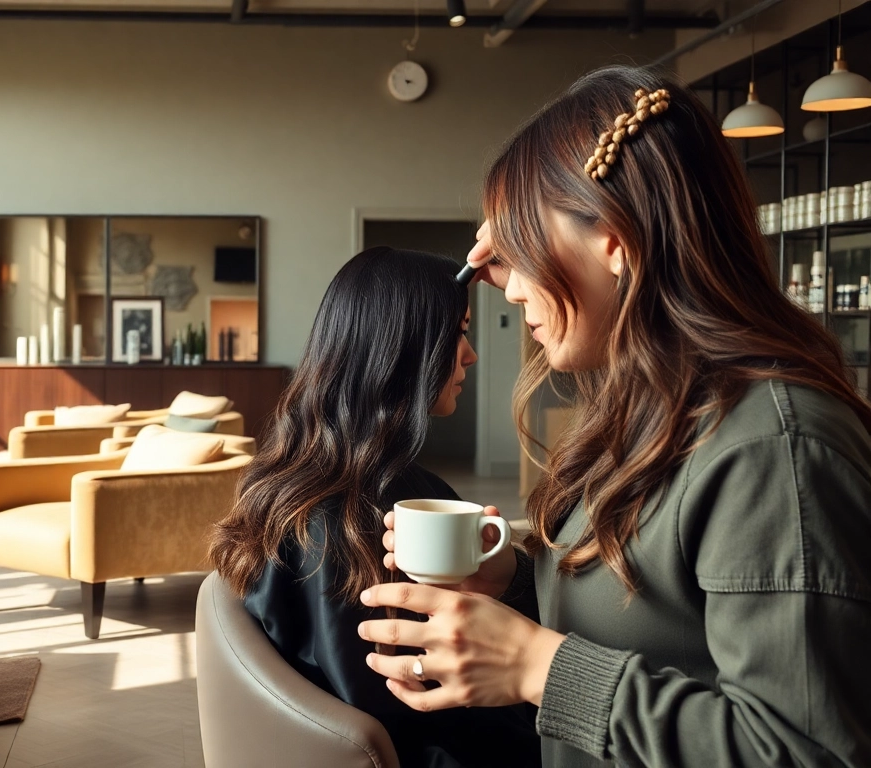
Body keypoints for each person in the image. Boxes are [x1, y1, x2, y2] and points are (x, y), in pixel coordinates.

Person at [357, 66, 871, 767]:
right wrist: (511, 578)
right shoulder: (653, 413)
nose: (508, 292)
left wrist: (538, 667)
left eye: (525, 246)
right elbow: (654, 620)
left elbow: (804, 750)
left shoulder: (775, 449)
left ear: (614, 240)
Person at [210, 246, 541, 767]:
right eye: (459, 333)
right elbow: (389, 720)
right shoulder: (341, 521)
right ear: (404, 348)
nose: (470, 354)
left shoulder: (305, 489)